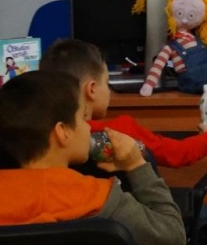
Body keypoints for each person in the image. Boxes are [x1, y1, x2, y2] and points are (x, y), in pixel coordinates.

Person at [0, 71, 186, 245]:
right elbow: (173, 236)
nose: (89, 127)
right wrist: (137, 166)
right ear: (62, 132)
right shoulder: (95, 197)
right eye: (83, 117)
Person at [39, 39, 207, 168]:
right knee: (205, 214)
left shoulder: (40, 135)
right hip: (126, 216)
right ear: (91, 90)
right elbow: (177, 154)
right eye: (106, 82)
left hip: (78, 217)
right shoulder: (119, 132)